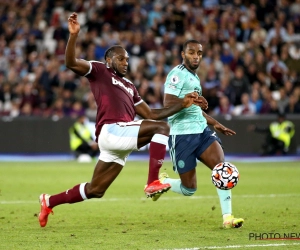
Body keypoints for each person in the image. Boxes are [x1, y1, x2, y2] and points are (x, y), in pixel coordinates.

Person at [38, 13, 205, 228]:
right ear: (109, 60)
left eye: (127, 59)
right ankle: (153, 181)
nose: (126, 62)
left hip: (118, 142)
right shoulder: (100, 70)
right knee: (162, 128)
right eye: (121, 58)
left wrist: (181, 104)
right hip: (112, 130)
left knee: (95, 190)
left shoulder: (130, 87)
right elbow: (70, 62)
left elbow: (151, 114)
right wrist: (74, 36)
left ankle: (49, 201)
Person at [157, 39, 244, 229]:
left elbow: (195, 111)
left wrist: (215, 123)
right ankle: (163, 182)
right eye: (191, 52)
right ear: (183, 54)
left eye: (199, 53)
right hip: (182, 136)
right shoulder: (177, 75)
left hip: (202, 132)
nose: (196, 56)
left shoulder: (195, 78)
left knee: (222, 169)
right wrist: (187, 101)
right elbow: (168, 105)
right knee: (189, 189)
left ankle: (227, 218)